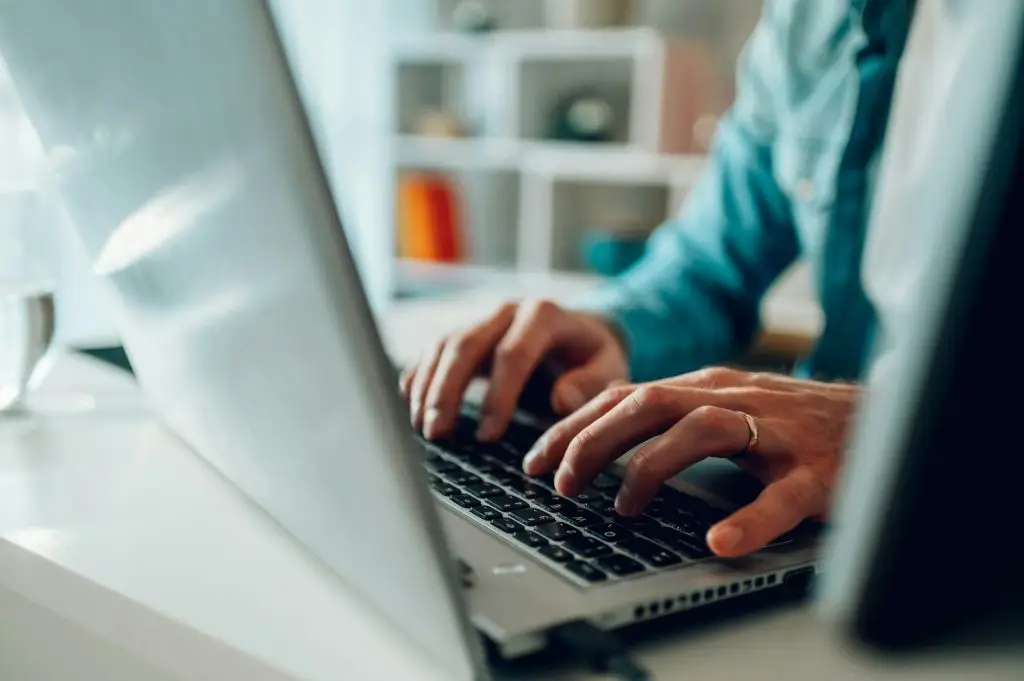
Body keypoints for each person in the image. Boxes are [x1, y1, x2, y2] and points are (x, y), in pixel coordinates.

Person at [401, 0, 917, 559]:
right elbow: (706, 267)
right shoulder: (804, 21)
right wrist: (610, 327)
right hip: (802, 514)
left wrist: (895, 427)